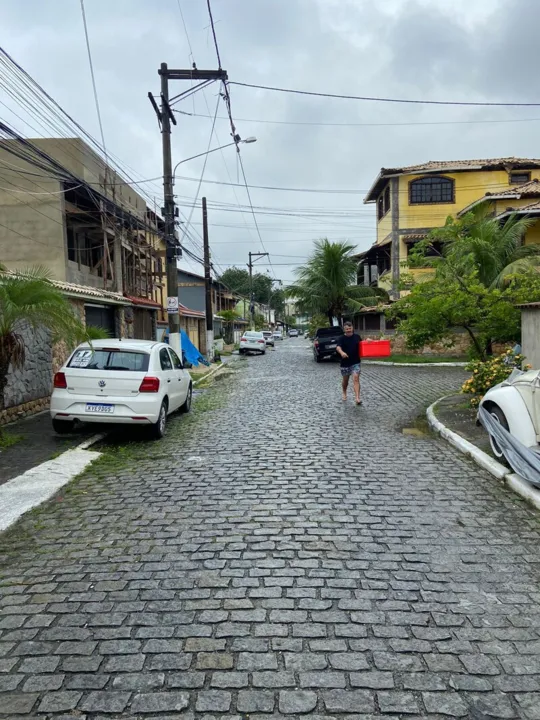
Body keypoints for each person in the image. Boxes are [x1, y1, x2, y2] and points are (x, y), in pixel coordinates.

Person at [336, 321, 362, 405]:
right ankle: (344, 391)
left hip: (355, 362)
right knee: (345, 381)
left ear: (352, 328)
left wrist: (368, 341)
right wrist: (342, 353)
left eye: (350, 328)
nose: (348, 330)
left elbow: (362, 344)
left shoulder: (357, 337)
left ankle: (357, 398)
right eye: (347, 329)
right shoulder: (341, 338)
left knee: (355, 378)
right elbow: (338, 347)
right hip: (345, 363)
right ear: (344, 329)